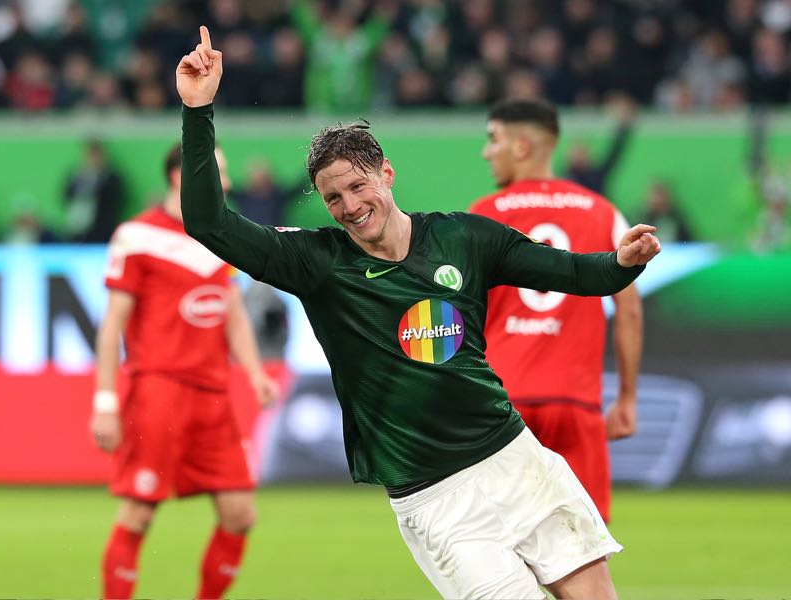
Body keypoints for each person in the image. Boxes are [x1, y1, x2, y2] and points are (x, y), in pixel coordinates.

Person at [176, 27, 661, 600]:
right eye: (334, 199)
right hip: (435, 500)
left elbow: (576, 274)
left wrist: (623, 263)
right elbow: (209, 224)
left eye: (359, 186)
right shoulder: (316, 263)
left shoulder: (465, 238)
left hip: (518, 461)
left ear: (386, 174)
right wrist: (198, 111)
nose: (352, 207)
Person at [89, 141, 279, 600]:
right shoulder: (137, 235)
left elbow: (231, 311)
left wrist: (254, 373)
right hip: (159, 389)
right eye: (219, 171)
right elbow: (112, 323)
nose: (228, 182)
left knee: (240, 514)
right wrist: (106, 402)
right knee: (138, 513)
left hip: (213, 396)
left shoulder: (221, 235)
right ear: (180, 175)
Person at [469, 99, 644, 524]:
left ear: (523, 147)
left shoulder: (481, 216)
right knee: (584, 558)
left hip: (502, 406)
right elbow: (630, 310)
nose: (485, 152)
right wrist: (625, 397)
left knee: (500, 556)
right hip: (576, 402)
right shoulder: (602, 211)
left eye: (493, 140)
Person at [64, 138, 125, 243]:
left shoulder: (111, 177)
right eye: (91, 155)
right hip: (80, 228)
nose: (94, 159)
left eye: (97, 155)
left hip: (103, 229)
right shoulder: (77, 176)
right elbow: (66, 194)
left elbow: (117, 199)